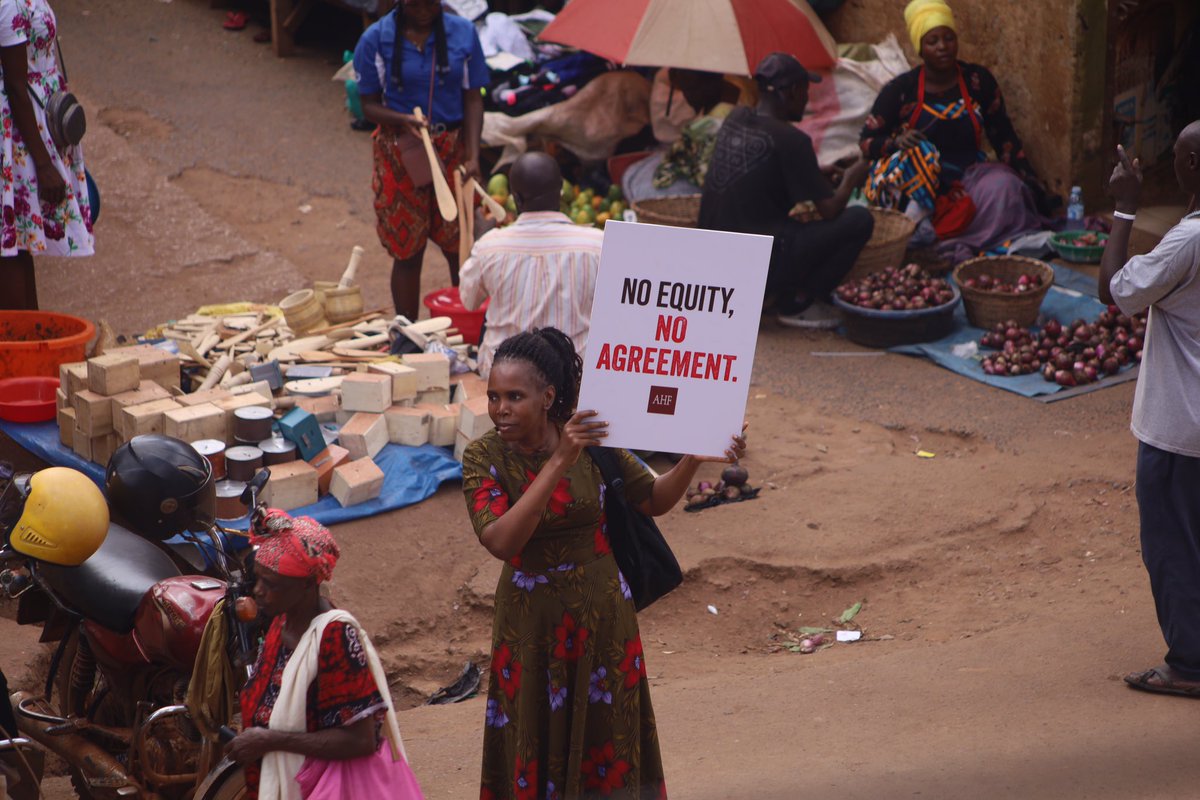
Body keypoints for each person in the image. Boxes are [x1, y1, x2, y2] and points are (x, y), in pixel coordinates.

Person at [461, 328, 746, 799]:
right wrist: (558, 461)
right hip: (530, 625)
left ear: (547, 396)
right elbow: (500, 540)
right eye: (493, 396)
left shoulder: (592, 437)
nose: (500, 409)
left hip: (604, 616)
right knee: (532, 730)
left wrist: (692, 461)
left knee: (609, 733)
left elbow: (652, 499)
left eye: (514, 396)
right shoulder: (483, 457)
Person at [1099, 123, 1200, 698]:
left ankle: (1189, 663)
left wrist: (1125, 207)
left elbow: (1113, 289)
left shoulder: (1185, 243)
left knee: (1171, 542)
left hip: (1179, 425)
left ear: (1189, 164)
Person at [228, 510, 415, 798]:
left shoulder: (334, 638)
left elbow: (361, 740)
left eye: (272, 584)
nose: (258, 591)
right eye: (259, 580)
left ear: (306, 585)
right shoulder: (282, 621)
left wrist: (270, 740)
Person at [858, 0, 1053, 261]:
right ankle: (922, 235)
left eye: (948, 38)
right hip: (922, 185)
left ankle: (971, 239)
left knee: (1005, 186)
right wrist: (897, 143)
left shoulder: (977, 81)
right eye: (933, 41)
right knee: (917, 161)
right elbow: (866, 143)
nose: (942, 47)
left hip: (969, 178)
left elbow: (1004, 138)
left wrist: (1031, 186)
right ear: (920, 48)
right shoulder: (900, 91)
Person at [699, 52, 873, 329]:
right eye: (805, 91)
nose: (806, 100)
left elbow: (767, 171)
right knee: (860, 220)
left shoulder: (736, 117)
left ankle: (767, 292)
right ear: (791, 92)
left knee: (781, 225)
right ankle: (798, 302)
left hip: (711, 260)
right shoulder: (793, 140)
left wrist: (815, 172)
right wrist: (852, 177)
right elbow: (829, 210)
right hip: (757, 263)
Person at [353, 0, 488, 320]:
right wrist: (402, 119)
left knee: (460, 247)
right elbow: (368, 105)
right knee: (408, 252)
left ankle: (465, 326)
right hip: (401, 151)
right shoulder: (375, 39)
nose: (425, 8)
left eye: (432, 1)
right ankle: (407, 333)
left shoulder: (464, 34)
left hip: (452, 149)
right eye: (416, 2)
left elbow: (473, 99)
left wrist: (473, 156)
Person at [459, 152, 602, 377]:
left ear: (515, 198)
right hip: (574, 376)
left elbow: (468, 301)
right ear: (561, 192)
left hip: (503, 380)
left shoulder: (490, 245)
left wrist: (478, 239)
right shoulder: (597, 244)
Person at [0, 0, 94, 310]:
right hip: (17, 136)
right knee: (10, 246)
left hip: (37, 129)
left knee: (22, 243)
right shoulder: (8, 5)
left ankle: (33, 337)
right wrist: (43, 164)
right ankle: (17, 344)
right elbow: (15, 85)